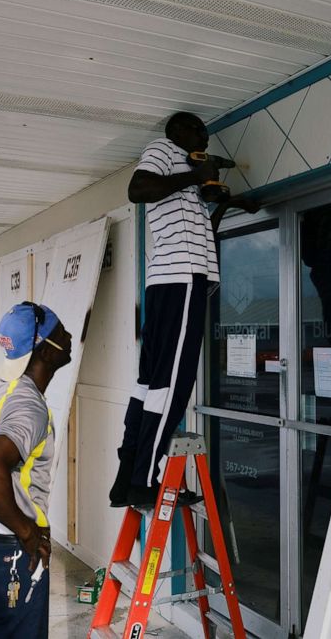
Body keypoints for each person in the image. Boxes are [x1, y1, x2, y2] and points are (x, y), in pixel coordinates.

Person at [109, 112, 257, 508]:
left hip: (171, 281)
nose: (205, 136)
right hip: (180, 280)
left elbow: (195, 230)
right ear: (176, 132)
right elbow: (138, 188)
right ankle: (145, 481)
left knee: (150, 384)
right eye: (198, 130)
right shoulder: (163, 151)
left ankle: (128, 475)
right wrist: (195, 174)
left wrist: (230, 202)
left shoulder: (185, 178)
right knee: (172, 385)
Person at [0, 302, 72, 639]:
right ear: (45, 351)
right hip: (8, 551)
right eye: (60, 332)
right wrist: (27, 532)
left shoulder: (0, 390)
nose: (68, 337)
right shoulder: (28, 406)